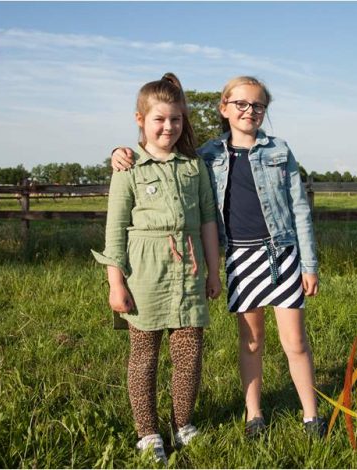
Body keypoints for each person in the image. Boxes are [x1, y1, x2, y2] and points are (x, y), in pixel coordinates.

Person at [112, 76, 327, 439]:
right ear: (224, 108)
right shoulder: (207, 156)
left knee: (295, 341)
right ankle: (254, 415)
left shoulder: (279, 150)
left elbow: (300, 209)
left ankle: (311, 415)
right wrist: (120, 152)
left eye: (258, 105)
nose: (249, 111)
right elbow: (162, 152)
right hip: (241, 258)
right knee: (251, 341)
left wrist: (309, 264)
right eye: (241, 104)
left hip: (282, 254)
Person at [93, 73, 221, 463]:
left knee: (189, 354)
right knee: (144, 357)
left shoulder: (193, 166)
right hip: (145, 273)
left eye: (176, 119)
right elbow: (115, 229)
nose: (168, 127)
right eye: (159, 119)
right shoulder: (128, 167)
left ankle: (183, 424)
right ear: (140, 119)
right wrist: (116, 283)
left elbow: (208, 220)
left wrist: (214, 272)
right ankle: (147, 432)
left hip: (189, 270)